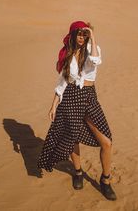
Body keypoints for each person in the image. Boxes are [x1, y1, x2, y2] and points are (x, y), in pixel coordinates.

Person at [37, 20, 116, 200]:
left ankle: (105, 180)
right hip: (70, 98)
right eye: (79, 34)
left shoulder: (92, 49)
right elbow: (63, 81)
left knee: (106, 141)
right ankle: (78, 172)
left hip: (88, 97)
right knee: (72, 136)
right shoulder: (67, 54)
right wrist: (54, 103)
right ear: (73, 35)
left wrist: (93, 37)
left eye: (85, 34)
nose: (82, 38)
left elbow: (96, 60)